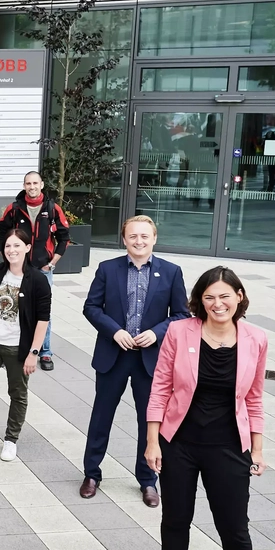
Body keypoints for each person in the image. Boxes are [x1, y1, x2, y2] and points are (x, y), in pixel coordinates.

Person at [145, 267, 267, 550]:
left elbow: (256, 398)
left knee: (234, 526)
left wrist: (257, 449)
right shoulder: (181, 333)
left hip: (230, 447)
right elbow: (161, 387)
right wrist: (153, 441)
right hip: (179, 443)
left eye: (225, 296)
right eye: (210, 297)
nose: (218, 303)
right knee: (176, 522)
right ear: (199, 300)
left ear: (239, 297)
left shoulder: (256, 339)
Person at [80, 215, 188, 505]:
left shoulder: (171, 272)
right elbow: (91, 307)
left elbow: (181, 314)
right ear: (124, 239)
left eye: (144, 236)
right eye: (132, 236)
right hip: (113, 356)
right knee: (101, 417)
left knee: (149, 421)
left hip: (150, 360)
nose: (138, 241)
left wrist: (157, 332)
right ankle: (92, 473)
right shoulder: (107, 269)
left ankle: (147, 480)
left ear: (154, 238)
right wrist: (114, 332)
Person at [0, 228, 51, 462]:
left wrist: (34, 353)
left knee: (17, 393)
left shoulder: (37, 279)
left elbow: (43, 320)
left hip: (18, 347)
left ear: (28, 248)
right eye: (8, 246)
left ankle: (11, 440)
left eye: (17, 245)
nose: (12, 250)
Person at [0, 171, 69, 370]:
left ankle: (45, 352)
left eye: (35, 183)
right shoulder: (14, 208)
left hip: (43, 269)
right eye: (28, 183)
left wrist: (52, 263)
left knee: (42, 311)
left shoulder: (52, 209)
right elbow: (1, 233)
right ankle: (13, 349)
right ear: (24, 185)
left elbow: (65, 238)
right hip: (17, 269)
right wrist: (7, 258)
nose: (32, 186)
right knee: (14, 306)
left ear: (42, 184)